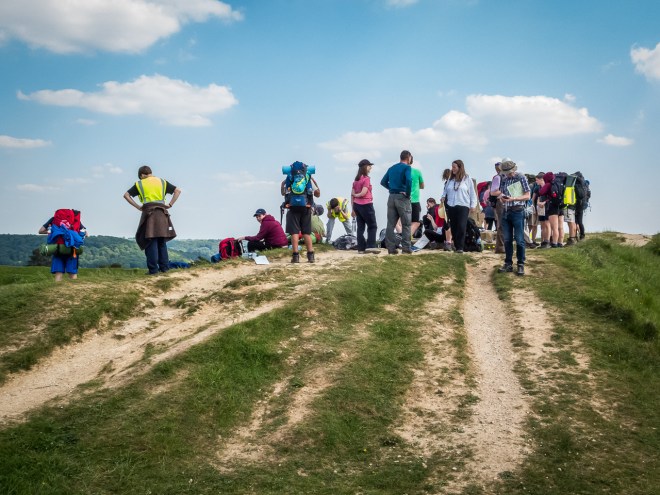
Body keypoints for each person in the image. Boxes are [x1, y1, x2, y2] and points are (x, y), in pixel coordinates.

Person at [123, 165, 181, 275]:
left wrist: (138, 207)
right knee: (161, 242)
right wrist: (170, 204)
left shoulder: (140, 183)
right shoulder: (162, 181)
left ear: (141, 175)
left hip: (149, 213)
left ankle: (153, 270)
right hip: (162, 213)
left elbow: (126, 195)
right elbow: (177, 191)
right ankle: (164, 269)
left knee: (150, 241)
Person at [281, 161, 320, 263]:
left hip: (292, 207)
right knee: (306, 232)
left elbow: (283, 193)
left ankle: (295, 257)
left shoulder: (290, 176)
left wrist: (282, 184)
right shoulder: (307, 177)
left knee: (294, 232)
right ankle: (310, 256)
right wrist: (314, 182)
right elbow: (317, 194)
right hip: (306, 207)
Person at [497, 160, 531, 276]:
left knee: (519, 239)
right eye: (507, 173)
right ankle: (508, 263)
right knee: (507, 239)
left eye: (510, 172)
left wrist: (514, 198)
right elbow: (502, 194)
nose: (509, 174)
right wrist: (502, 198)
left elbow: (527, 195)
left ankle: (520, 264)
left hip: (518, 211)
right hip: (506, 211)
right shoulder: (504, 179)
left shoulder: (521, 177)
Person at [440, 159, 478, 254]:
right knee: (454, 226)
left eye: (454, 167)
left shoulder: (467, 179)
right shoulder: (450, 179)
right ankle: (457, 246)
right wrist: (443, 197)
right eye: (452, 167)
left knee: (461, 226)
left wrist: (473, 205)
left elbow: (472, 193)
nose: (452, 169)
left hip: (463, 205)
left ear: (460, 168)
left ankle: (460, 247)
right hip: (451, 205)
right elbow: (445, 191)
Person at [38, 210, 86, 282]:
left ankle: (58, 288)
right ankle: (74, 288)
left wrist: (51, 232)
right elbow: (86, 233)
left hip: (58, 249)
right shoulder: (75, 220)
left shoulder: (54, 219)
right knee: (72, 273)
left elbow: (40, 231)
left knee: (58, 272)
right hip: (72, 250)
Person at [380, 150, 413, 254]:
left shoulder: (391, 168)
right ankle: (406, 247)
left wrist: (391, 188)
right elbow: (409, 180)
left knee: (390, 224)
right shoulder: (407, 168)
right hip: (402, 198)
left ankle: (391, 248)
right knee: (406, 223)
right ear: (408, 158)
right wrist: (408, 193)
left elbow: (383, 182)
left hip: (391, 197)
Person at [351, 159, 380, 254]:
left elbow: (352, 195)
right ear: (365, 167)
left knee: (360, 227)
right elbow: (363, 192)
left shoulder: (356, 180)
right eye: (369, 166)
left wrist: (353, 208)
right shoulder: (366, 179)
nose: (370, 167)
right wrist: (357, 195)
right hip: (366, 204)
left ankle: (361, 248)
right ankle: (370, 246)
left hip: (357, 205)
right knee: (372, 226)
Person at [489, 162, 505, 254]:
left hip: (508, 201)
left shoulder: (504, 177)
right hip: (501, 202)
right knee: (501, 224)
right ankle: (500, 247)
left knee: (504, 224)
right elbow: (493, 192)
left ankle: (502, 246)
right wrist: (504, 191)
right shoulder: (497, 178)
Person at [533, 172, 551, 248]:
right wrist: (538, 203)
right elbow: (538, 197)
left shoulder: (548, 186)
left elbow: (551, 197)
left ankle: (547, 241)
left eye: (537, 180)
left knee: (547, 225)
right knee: (542, 226)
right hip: (540, 208)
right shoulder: (539, 188)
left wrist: (544, 202)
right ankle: (543, 242)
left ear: (541, 180)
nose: (536, 181)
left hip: (547, 207)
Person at [410, 165, 425, 239]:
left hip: (402, 200)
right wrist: (415, 186)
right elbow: (422, 186)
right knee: (415, 222)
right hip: (414, 200)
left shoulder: (400, 172)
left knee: (403, 222)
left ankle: (404, 237)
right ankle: (406, 238)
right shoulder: (417, 172)